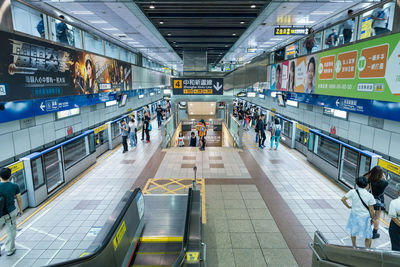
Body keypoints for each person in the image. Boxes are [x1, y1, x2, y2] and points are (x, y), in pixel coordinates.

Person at [341, 176, 376, 248]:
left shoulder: (352, 192)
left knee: (353, 231)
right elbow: (371, 210)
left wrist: (348, 206)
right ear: (367, 185)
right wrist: (373, 218)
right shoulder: (370, 196)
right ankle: (367, 249)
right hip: (365, 217)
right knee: (368, 235)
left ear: (357, 184)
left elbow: (343, 199)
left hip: (354, 215)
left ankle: (354, 246)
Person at [0, 167, 23, 256]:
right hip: (11, 212)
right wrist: (20, 209)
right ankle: (9, 250)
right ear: (9, 176)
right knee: (11, 231)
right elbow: (19, 199)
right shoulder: (14, 186)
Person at [364, 166, 388, 239]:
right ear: (381, 174)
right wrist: (384, 177)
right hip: (379, 201)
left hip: (371, 200)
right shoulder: (385, 182)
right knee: (377, 218)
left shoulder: (370, 180)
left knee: (370, 216)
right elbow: (385, 182)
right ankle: (374, 233)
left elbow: (366, 190)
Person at [388, 183, 400, 251]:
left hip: (395, 227)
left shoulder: (394, 202)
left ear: (397, 192)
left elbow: (393, 217)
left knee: (396, 245)